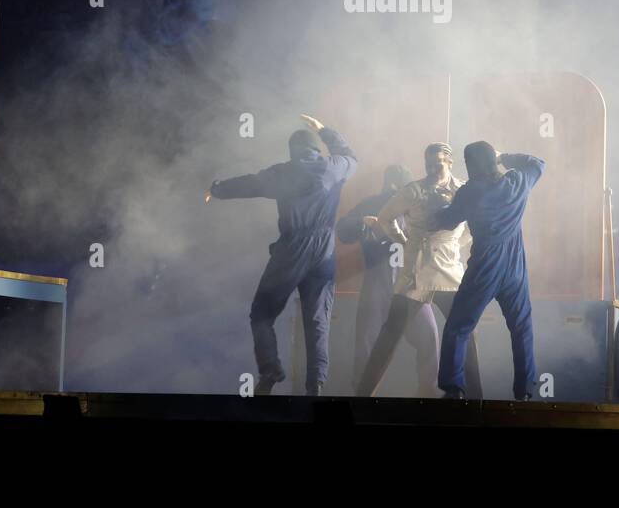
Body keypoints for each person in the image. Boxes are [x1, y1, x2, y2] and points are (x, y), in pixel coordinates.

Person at [207, 114, 356, 395]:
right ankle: (316, 384)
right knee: (317, 319)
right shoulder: (332, 167)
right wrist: (325, 130)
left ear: (292, 151)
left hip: (291, 250)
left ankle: (270, 369)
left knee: (261, 314)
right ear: (317, 148)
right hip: (324, 249)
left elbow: (249, 184)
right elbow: (350, 156)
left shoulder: (282, 173)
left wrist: (217, 189)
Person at [354, 143, 483, 398]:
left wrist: (455, 244)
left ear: (449, 162)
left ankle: (477, 399)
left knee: (464, 331)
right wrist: (402, 239)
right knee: (390, 332)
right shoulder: (413, 190)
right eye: (428, 164)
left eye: (437, 163)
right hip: (416, 271)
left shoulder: (464, 191)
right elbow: (384, 218)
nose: (433, 169)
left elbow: (475, 224)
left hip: (449, 271)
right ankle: (362, 396)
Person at [430, 142, 544, 401]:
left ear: (470, 165)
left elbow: (447, 221)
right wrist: (506, 156)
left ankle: (453, 389)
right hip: (515, 267)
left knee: (459, 326)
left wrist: (438, 207)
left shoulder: (470, 192)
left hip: (485, 266)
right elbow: (538, 164)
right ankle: (524, 392)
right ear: (493, 161)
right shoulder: (516, 182)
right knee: (521, 327)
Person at [336, 165, 440, 394]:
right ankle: (364, 395)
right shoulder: (374, 203)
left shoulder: (418, 206)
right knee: (368, 343)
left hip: (408, 284)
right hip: (383, 282)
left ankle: (428, 392)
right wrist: (362, 222)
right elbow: (343, 230)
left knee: (428, 337)